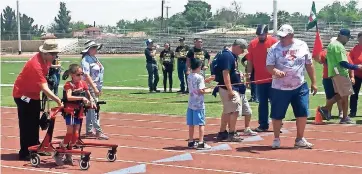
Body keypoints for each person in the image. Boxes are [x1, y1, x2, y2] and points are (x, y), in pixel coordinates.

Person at [266, 24, 317, 149]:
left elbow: (309, 64)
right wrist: (275, 72)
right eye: (280, 37)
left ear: (291, 35)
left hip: (300, 86)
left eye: (284, 37)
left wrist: (314, 82)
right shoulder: (274, 48)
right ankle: (276, 138)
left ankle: (300, 139)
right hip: (280, 88)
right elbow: (269, 66)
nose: (281, 39)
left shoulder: (302, 45)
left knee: (302, 112)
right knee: (277, 114)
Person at [12, 39, 63, 161]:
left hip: (33, 95)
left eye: (56, 53)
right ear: (45, 53)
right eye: (53, 54)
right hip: (22, 95)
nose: (55, 56)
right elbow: (44, 88)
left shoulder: (46, 60)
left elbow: (47, 75)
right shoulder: (36, 65)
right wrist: (58, 100)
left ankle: (36, 148)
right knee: (27, 125)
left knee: (34, 123)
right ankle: (25, 152)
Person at [55, 64, 97, 166]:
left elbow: (89, 94)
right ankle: (59, 152)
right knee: (70, 133)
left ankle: (68, 154)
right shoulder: (69, 85)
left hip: (79, 111)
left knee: (76, 136)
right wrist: (81, 98)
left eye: (82, 74)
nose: (81, 76)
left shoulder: (83, 83)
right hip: (70, 111)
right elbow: (69, 97)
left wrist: (92, 100)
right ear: (72, 75)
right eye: (78, 74)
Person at [318, 29, 362, 124]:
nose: (348, 40)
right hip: (341, 73)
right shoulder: (339, 46)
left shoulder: (331, 45)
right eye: (347, 38)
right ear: (341, 36)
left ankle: (326, 109)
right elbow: (343, 63)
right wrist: (357, 67)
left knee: (342, 94)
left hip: (334, 73)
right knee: (345, 95)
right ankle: (342, 116)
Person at [213, 39, 249, 142]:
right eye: (242, 50)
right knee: (235, 110)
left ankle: (222, 132)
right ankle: (231, 133)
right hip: (228, 87)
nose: (242, 53)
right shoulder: (227, 56)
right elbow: (226, 73)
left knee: (227, 111)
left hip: (230, 87)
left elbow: (232, 70)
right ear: (237, 47)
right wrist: (230, 90)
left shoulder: (232, 55)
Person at [246, 24, 278, 132]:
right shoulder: (252, 44)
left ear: (267, 33)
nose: (260, 37)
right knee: (262, 102)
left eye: (262, 35)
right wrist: (248, 76)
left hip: (274, 79)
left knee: (276, 102)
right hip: (259, 79)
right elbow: (249, 61)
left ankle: (277, 123)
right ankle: (263, 124)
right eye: (259, 35)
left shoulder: (274, 42)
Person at [313, 37, 352, 119]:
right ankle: (327, 111)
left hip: (335, 75)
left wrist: (352, 76)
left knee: (341, 95)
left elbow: (349, 62)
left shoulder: (343, 52)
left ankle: (338, 112)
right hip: (332, 76)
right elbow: (318, 59)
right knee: (336, 95)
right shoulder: (326, 53)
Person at [81, 40, 109, 140]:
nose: (96, 49)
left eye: (96, 48)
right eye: (94, 48)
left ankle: (89, 130)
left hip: (96, 86)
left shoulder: (94, 58)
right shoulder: (86, 60)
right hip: (90, 87)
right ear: (89, 49)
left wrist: (98, 87)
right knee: (94, 109)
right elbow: (86, 75)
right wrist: (94, 88)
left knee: (90, 109)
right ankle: (98, 131)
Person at [187, 58, 212, 150]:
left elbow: (196, 84)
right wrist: (209, 90)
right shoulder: (200, 77)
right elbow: (201, 90)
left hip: (191, 103)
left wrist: (206, 81)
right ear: (198, 67)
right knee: (201, 123)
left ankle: (191, 141)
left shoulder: (189, 76)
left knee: (191, 123)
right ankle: (201, 142)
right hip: (199, 104)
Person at [348, 32, 362, 117]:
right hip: (356, 74)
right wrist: (352, 76)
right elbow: (350, 63)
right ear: (358, 39)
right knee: (354, 94)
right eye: (360, 38)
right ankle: (353, 111)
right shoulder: (354, 49)